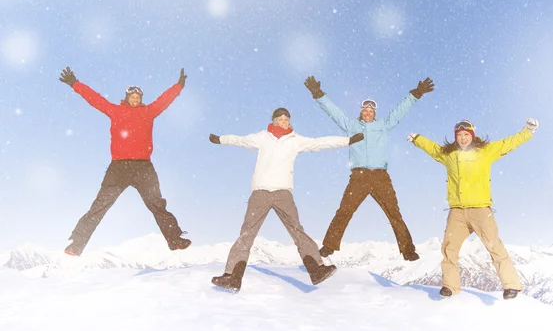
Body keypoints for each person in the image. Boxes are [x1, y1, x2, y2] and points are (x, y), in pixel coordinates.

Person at [209, 107, 364, 291]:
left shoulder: (295, 140)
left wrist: (348, 141)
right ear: (274, 120)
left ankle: (317, 270)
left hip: (283, 193)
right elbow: (240, 140)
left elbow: (320, 142)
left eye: (287, 119)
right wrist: (220, 139)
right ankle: (232, 277)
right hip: (260, 193)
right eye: (281, 118)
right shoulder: (262, 137)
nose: (284, 121)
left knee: (297, 230)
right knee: (247, 233)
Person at [59, 66, 191, 256]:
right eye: (133, 96)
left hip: (143, 167)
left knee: (157, 204)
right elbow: (95, 99)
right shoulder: (115, 111)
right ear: (127, 97)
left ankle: (174, 239)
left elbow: (164, 100)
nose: (136, 99)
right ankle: (77, 244)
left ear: (141, 99)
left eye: (138, 97)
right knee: (100, 205)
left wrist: (178, 86)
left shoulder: (149, 112)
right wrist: (75, 84)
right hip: (119, 167)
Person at [304, 76, 434, 261]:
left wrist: (415, 94)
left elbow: (399, 112)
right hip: (359, 176)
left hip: (381, 176)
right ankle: (329, 246)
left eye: (371, 110)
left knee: (393, 212)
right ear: (361, 112)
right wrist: (318, 94)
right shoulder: (352, 126)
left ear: (374, 113)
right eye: (365, 110)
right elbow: (334, 112)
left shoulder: (383, 125)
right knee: (345, 210)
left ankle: (407, 250)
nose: (367, 112)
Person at [407, 118, 539, 300]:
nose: (463, 138)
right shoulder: (449, 155)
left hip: (481, 210)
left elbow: (508, 143)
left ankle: (511, 285)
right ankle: (450, 286)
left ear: (472, 135)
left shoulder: (485, 152)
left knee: (494, 245)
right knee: (449, 248)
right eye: (459, 135)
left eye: (466, 135)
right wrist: (417, 139)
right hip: (457, 212)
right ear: (456, 137)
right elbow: (433, 149)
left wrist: (527, 131)